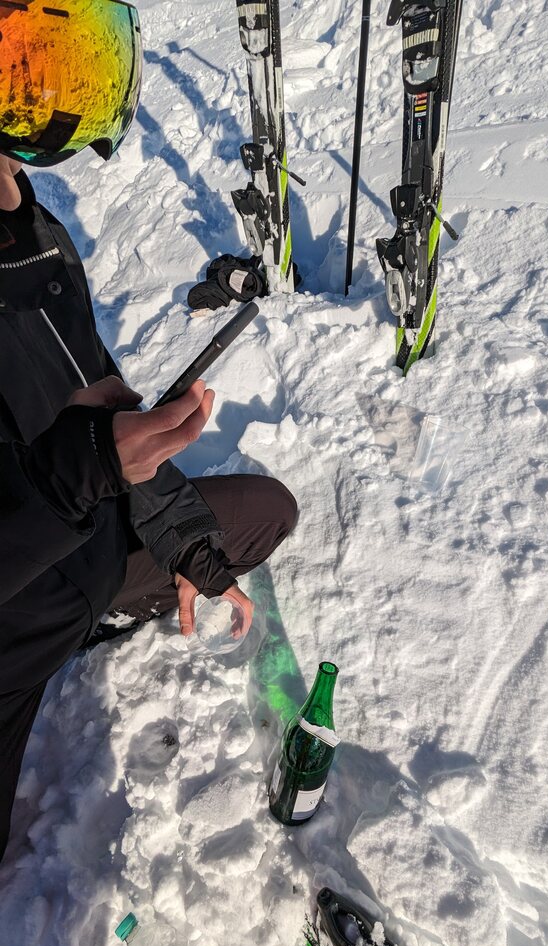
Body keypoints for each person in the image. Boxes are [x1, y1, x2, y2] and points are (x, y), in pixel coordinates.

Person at [0, 0, 297, 862]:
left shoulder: (39, 231)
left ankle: (103, 609)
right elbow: (83, 456)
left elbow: (100, 412)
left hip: (87, 546)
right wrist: (84, 466)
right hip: (13, 625)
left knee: (262, 514)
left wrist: (191, 552)